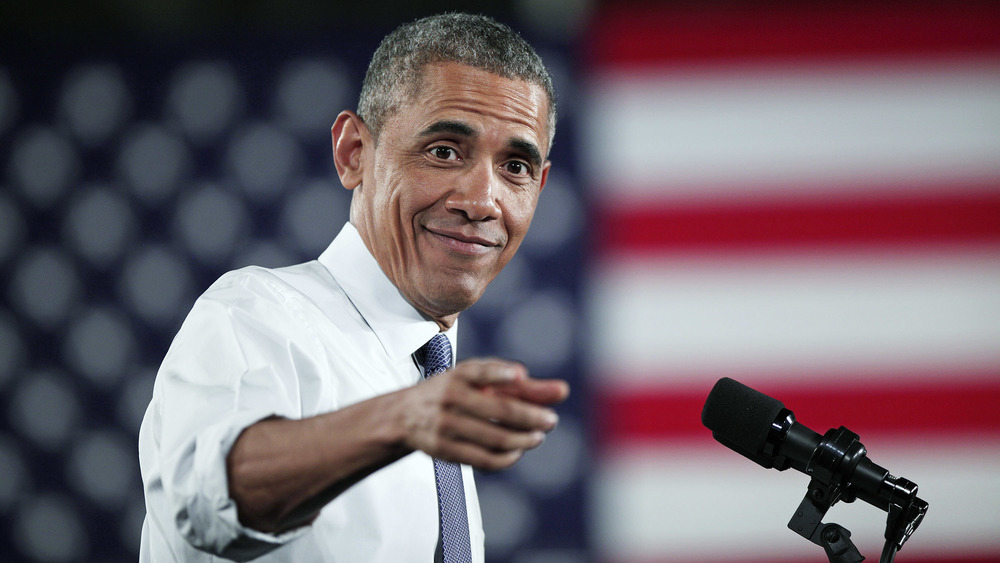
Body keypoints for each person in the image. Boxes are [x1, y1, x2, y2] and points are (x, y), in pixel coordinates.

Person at [138, 12, 570, 563]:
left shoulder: (432, 381)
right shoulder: (253, 315)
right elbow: (200, 501)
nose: (483, 200)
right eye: (443, 151)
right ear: (353, 153)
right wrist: (400, 418)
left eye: (515, 166)